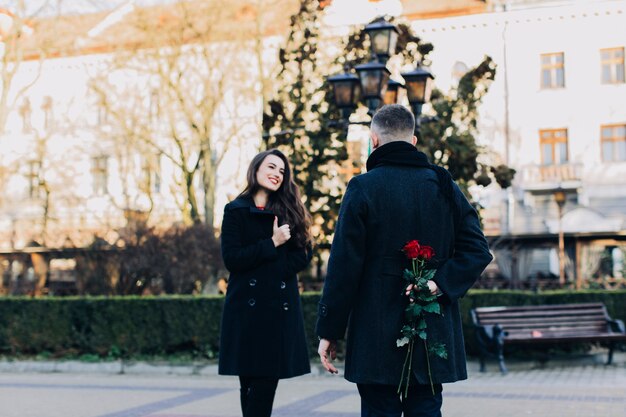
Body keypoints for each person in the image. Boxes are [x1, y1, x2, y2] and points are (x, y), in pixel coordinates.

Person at [316, 104, 493, 417]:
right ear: (414, 141)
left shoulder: (363, 187)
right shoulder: (443, 184)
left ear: (374, 140)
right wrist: (439, 283)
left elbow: (344, 268)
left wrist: (329, 330)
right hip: (431, 329)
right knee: (426, 408)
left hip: (374, 333)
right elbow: (477, 249)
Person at [219, 149, 313, 417]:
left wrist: (273, 269)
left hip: (276, 309)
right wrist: (272, 244)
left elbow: (304, 254)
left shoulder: (289, 211)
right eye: (271, 167)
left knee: (263, 387)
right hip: (244, 311)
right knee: (247, 385)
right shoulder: (235, 210)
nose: (277, 174)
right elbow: (232, 259)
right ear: (256, 169)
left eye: (282, 171)